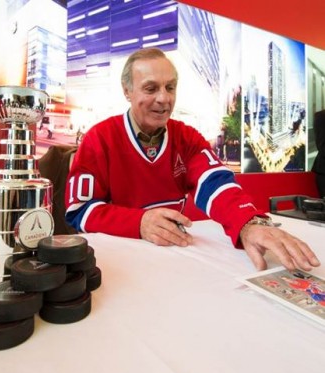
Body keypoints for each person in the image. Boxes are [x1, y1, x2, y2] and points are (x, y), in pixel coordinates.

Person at [64, 47, 320, 272]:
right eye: (151, 88)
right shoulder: (99, 138)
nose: (164, 98)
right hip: (117, 262)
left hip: (173, 258)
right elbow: (80, 212)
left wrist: (248, 224)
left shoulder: (186, 136)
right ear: (127, 91)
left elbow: (215, 183)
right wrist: (140, 222)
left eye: (170, 87)